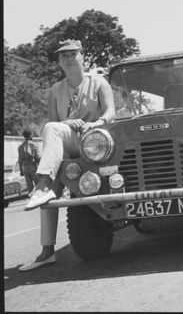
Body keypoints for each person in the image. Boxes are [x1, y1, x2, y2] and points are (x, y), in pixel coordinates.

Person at [19, 39, 116, 271]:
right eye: (63, 56)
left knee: (48, 169)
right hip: (67, 140)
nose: (69, 58)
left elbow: (111, 111)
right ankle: (47, 251)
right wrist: (66, 123)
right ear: (59, 62)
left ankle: (42, 185)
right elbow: (53, 124)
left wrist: (97, 123)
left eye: (73, 54)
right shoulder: (55, 90)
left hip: (93, 142)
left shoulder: (99, 82)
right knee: (49, 188)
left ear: (82, 56)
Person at [18, 129, 40, 195]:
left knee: (29, 185)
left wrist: (21, 170)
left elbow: (20, 160)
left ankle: (31, 198)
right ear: (30, 135)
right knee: (38, 183)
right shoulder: (33, 145)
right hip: (32, 165)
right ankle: (39, 197)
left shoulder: (20, 146)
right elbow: (37, 157)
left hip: (24, 167)